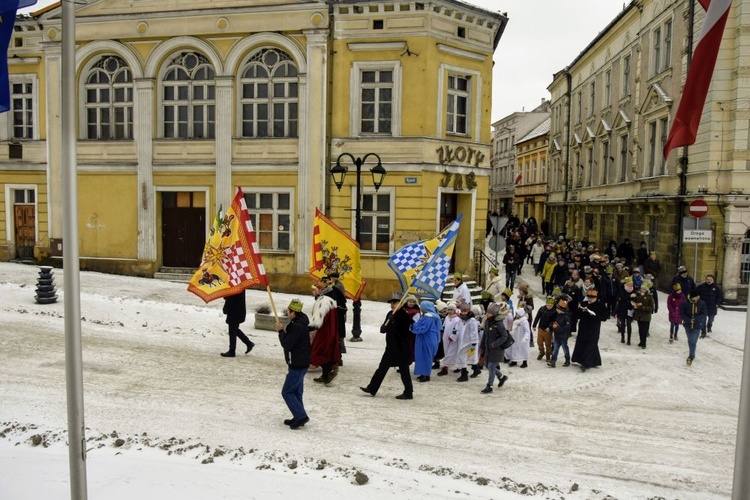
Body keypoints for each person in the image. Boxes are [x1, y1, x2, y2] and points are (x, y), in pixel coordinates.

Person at [360, 292, 416, 399]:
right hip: (391, 347)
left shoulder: (404, 316)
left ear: (401, 303)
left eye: (395, 302)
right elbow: (385, 326)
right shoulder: (390, 313)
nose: (393, 304)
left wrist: (393, 324)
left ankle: (408, 392)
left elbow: (403, 332)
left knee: (404, 371)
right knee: (382, 368)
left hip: (401, 348)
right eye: (392, 302)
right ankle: (372, 388)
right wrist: (383, 328)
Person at [276, 299, 311, 429]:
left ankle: (301, 416)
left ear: (293, 312)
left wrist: (280, 331)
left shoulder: (296, 326)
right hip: (302, 361)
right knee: (296, 392)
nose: (287, 311)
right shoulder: (300, 322)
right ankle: (298, 415)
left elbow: (287, 344)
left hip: (297, 363)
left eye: (288, 310)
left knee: (287, 392)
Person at [308, 283, 341, 385]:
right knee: (326, 351)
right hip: (329, 331)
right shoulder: (329, 301)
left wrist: (309, 328)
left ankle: (329, 371)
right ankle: (325, 375)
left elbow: (318, 319)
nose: (313, 292)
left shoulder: (323, 301)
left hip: (324, 331)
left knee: (317, 352)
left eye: (314, 290)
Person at [571, 289, 609, 371]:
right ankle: (592, 361)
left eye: (592, 297)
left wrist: (593, 314)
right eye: (589, 297)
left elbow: (604, 317)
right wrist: (581, 311)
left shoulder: (600, 306)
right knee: (582, 343)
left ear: (596, 298)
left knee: (591, 345)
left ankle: (586, 363)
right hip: (583, 327)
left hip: (593, 328)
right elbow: (577, 315)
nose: (590, 299)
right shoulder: (584, 304)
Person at [480, 302, 511, 394]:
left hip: (496, 349)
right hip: (488, 348)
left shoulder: (499, 323)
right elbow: (485, 335)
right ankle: (502, 377)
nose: (487, 314)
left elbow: (504, 336)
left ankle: (489, 386)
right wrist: (482, 345)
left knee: (491, 366)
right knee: (487, 364)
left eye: (489, 313)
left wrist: (495, 344)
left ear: (493, 314)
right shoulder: (488, 322)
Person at [411, 301, 441, 382]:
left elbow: (422, 328)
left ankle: (426, 375)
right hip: (425, 339)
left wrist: (413, 325)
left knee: (425, 357)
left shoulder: (429, 317)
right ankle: (423, 373)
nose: (420, 308)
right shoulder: (427, 316)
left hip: (427, 340)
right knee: (422, 356)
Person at [220, 289, 254, 357]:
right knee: (235, 330)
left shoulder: (234, 287)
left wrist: (225, 309)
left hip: (234, 313)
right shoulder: (240, 286)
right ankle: (249, 343)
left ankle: (232, 351)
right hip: (239, 311)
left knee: (232, 331)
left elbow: (231, 299)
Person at [680, 290, 707, 366]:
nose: (697, 297)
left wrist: (696, 320)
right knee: (690, 340)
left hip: (697, 325)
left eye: (698, 296)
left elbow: (704, 314)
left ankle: (691, 356)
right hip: (688, 325)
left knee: (693, 341)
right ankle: (692, 352)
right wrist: (688, 320)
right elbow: (682, 313)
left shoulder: (702, 303)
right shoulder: (685, 303)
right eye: (696, 296)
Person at [456, 300, 479, 382]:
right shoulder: (462, 319)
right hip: (463, 342)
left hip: (470, 343)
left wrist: (474, 342)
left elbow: (474, 331)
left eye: (465, 311)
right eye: (462, 311)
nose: (463, 313)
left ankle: (464, 374)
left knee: (466, 356)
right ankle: (476, 369)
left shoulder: (472, 320)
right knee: (468, 356)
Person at [437, 302, 462, 376]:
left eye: (452, 310)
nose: (450, 311)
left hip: (452, 339)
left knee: (451, 353)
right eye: (449, 309)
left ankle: (445, 367)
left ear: (454, 310)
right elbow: (444, 326)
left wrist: (452, 336)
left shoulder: (457, 319)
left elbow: (456, 329)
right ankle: (459, 366)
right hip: (445, 338)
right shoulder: (447, 317)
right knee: (447, 352)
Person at [548, 296, 572, 368]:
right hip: (557, 335)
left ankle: (567, 359)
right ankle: (553, 361)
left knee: (565, 348)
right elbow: (554, 321)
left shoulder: (566, 317)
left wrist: (558, 329)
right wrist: (552, 325)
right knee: (555, 348)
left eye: (557, 309)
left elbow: (567, 327)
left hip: (563, 336)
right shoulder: (557, 315)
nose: (556, 310)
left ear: (561, 310)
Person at [532, 296, 556, 362]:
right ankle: (541, 352)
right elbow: (537, 317)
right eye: (548, 305)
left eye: (551, 306)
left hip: (547, 330)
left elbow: (554, 321)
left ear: (553, 305)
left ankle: (548, 355)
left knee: (548, 343)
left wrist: (550, 328)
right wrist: (534, 325)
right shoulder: (542, 309)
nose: (549, 307)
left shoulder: (554, 311)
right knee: (539, 342)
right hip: (540, 328)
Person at [507, 303, 530, 368]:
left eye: (517, 314)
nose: (516, 315)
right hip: (516, 337)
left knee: (523, 349)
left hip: (522, 338)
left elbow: (527, 331)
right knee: (515, 348)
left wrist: (525, 337)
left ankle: (525, 361)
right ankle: (514, 360)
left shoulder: (524, 322)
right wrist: (512, 332)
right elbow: (514, 327)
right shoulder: (516, 321)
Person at [632, 284, 654, 349]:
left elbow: (651, 307)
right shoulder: (638, 295)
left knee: (644, 330)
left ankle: (644, 342)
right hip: (639, 315)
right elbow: (634, 302)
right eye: (642, 288)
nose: (642, 290)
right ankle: (641, 341)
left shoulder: (650, 297)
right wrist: (635, 306)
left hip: (646, 316)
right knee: (640, 329)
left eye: (644, 289)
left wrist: (643, 307)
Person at [616, 276, 635, 345]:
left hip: (630, 309)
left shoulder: (634, 290)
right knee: (623, 324)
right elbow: (622, 297)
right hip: (622, 309)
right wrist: (630, 297)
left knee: (629, 324)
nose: (631, 285)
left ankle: (629, 339)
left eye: (631, 284)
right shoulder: (622, 289)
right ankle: (622, 337)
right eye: (629, 284)